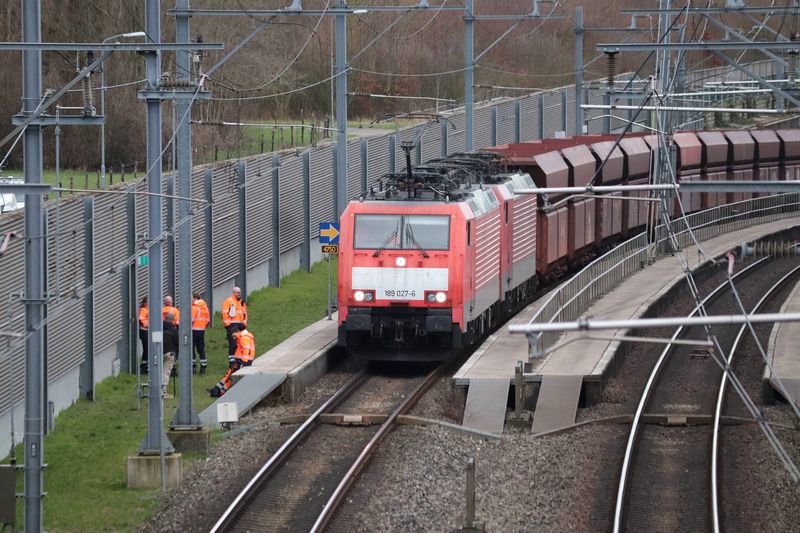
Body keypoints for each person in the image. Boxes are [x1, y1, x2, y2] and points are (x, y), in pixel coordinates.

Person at [208, 327, 255, 397]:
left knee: (230, 376)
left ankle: (219, 391)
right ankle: (217, 389)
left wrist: (243, 363)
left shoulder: (244, 338)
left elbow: (246, 351)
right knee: (228, 375)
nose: (233, 338)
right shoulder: (242, 338)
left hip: (242, 361)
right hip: (241, 360)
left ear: (237, 332)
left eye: (233, 336)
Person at [222, 286, 248, 363]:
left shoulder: (242, 302)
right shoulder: (228, 301)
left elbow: (245, 314)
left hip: (241, 326)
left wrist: (244, 324)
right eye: (237, 292)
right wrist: (228, 326)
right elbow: (224, 313)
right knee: (233, 344)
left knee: (241, 344)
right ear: (233, 293)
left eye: (240, 292)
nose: (239, 294)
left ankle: (238, 360)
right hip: (232, 326)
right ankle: (232, 363)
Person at [191, 291, 210, 374]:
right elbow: (208, 321)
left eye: (192, 298)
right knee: (201, 349)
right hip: (202, 331)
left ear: (195, 298)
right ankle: (203, 367)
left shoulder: (194, 307)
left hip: (193, 330)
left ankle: (193, 367)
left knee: (191, 349)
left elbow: (191, 320)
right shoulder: (205, 308)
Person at [161, 312, 179, 399]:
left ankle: (155, 390)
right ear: (173, 320)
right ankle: (163, 392)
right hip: (170, 354)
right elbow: (177, 343)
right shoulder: (173, 330)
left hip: (158, 353)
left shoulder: (160, 327)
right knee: (166, 372)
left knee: (157, 372)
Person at [138, 296, 149, 374]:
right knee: (146, 349)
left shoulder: (146, 310)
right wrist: (147, 325)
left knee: (147, 350)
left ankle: (145, 365)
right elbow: (141, 319)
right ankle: (144, 367)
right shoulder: (144, 310)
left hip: (146, 332)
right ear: (145, 303)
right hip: (144, 332)